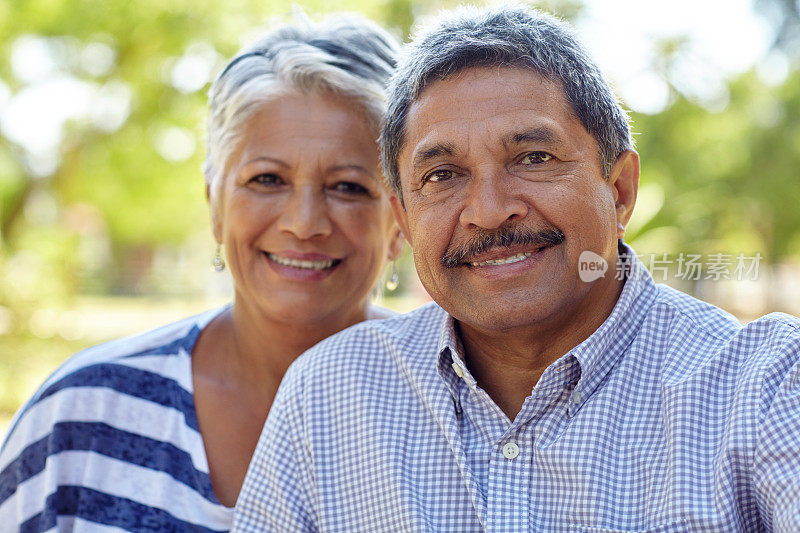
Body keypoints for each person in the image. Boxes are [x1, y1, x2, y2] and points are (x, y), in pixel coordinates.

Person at [234, 5, 800, 532]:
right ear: (403, 221)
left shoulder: (764, 388)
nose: (488, 210)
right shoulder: (329, 395)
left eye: (534, 158)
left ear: (620, 190)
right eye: (442, 175)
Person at [0, 14, 403, 532]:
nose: (304, 224)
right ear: (215, 203)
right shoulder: (81, 414)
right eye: (266, 179)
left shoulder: (461, 425)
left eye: (348, 186)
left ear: (400, 221)